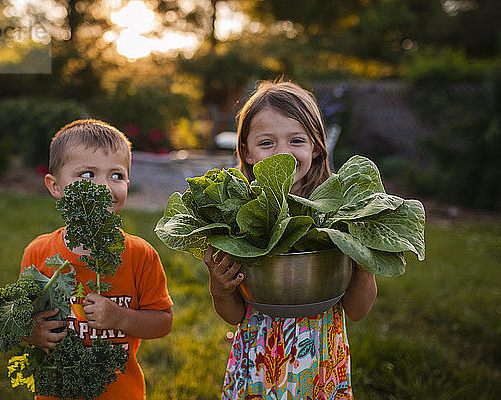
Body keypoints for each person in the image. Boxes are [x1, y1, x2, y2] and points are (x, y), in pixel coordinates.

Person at [203, 80, 377, 399]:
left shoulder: (341, 216)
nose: (283, 153)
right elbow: (235, 314)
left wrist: (365, 260)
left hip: (321, 367)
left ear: (315, 147)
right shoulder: (235, 218)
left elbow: (357, 310)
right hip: (257, 362)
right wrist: (219, 288)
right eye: (267, 142)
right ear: (247, 152)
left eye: (296, 140)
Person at [21, 119, 173, 400]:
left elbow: (163, 322)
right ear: (55, 186)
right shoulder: (38, 253)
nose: (104, 186)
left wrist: (120, 317)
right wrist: (34, 334)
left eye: (116, 176)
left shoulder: (140, 254)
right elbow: (22, 317)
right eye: (88, 174)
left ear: (128, 183)